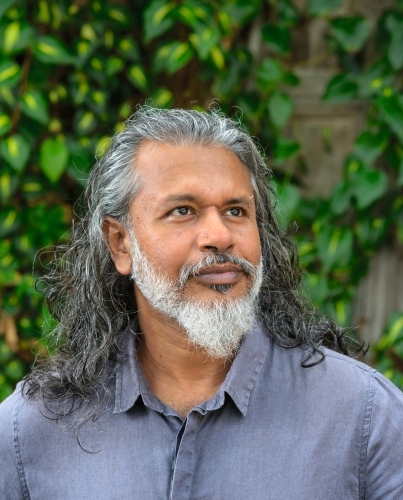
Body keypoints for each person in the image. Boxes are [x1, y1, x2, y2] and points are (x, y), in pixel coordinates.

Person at [0, 107, 402, 499]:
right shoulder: (28, 432)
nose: (220, 235)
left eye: (235, 211)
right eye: (183, 211)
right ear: (121, 243)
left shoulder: (363, 417)